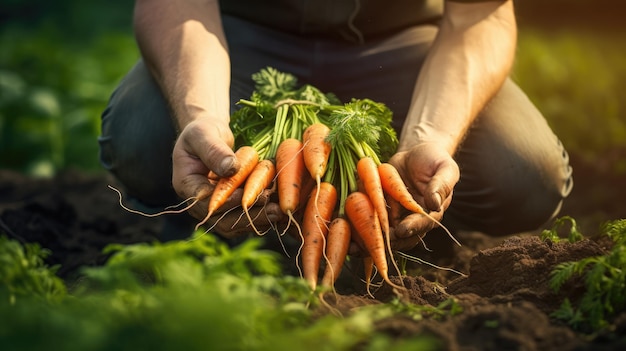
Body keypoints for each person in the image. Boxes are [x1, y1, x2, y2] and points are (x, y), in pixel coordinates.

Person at [99, 0, 573, 251]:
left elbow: (477, 14)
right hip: (233, 37)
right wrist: (201, 114)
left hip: (402, 46)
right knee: (142, 142)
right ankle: (219, 215)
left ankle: (409, 225)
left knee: (523, 176)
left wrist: (431, 136)